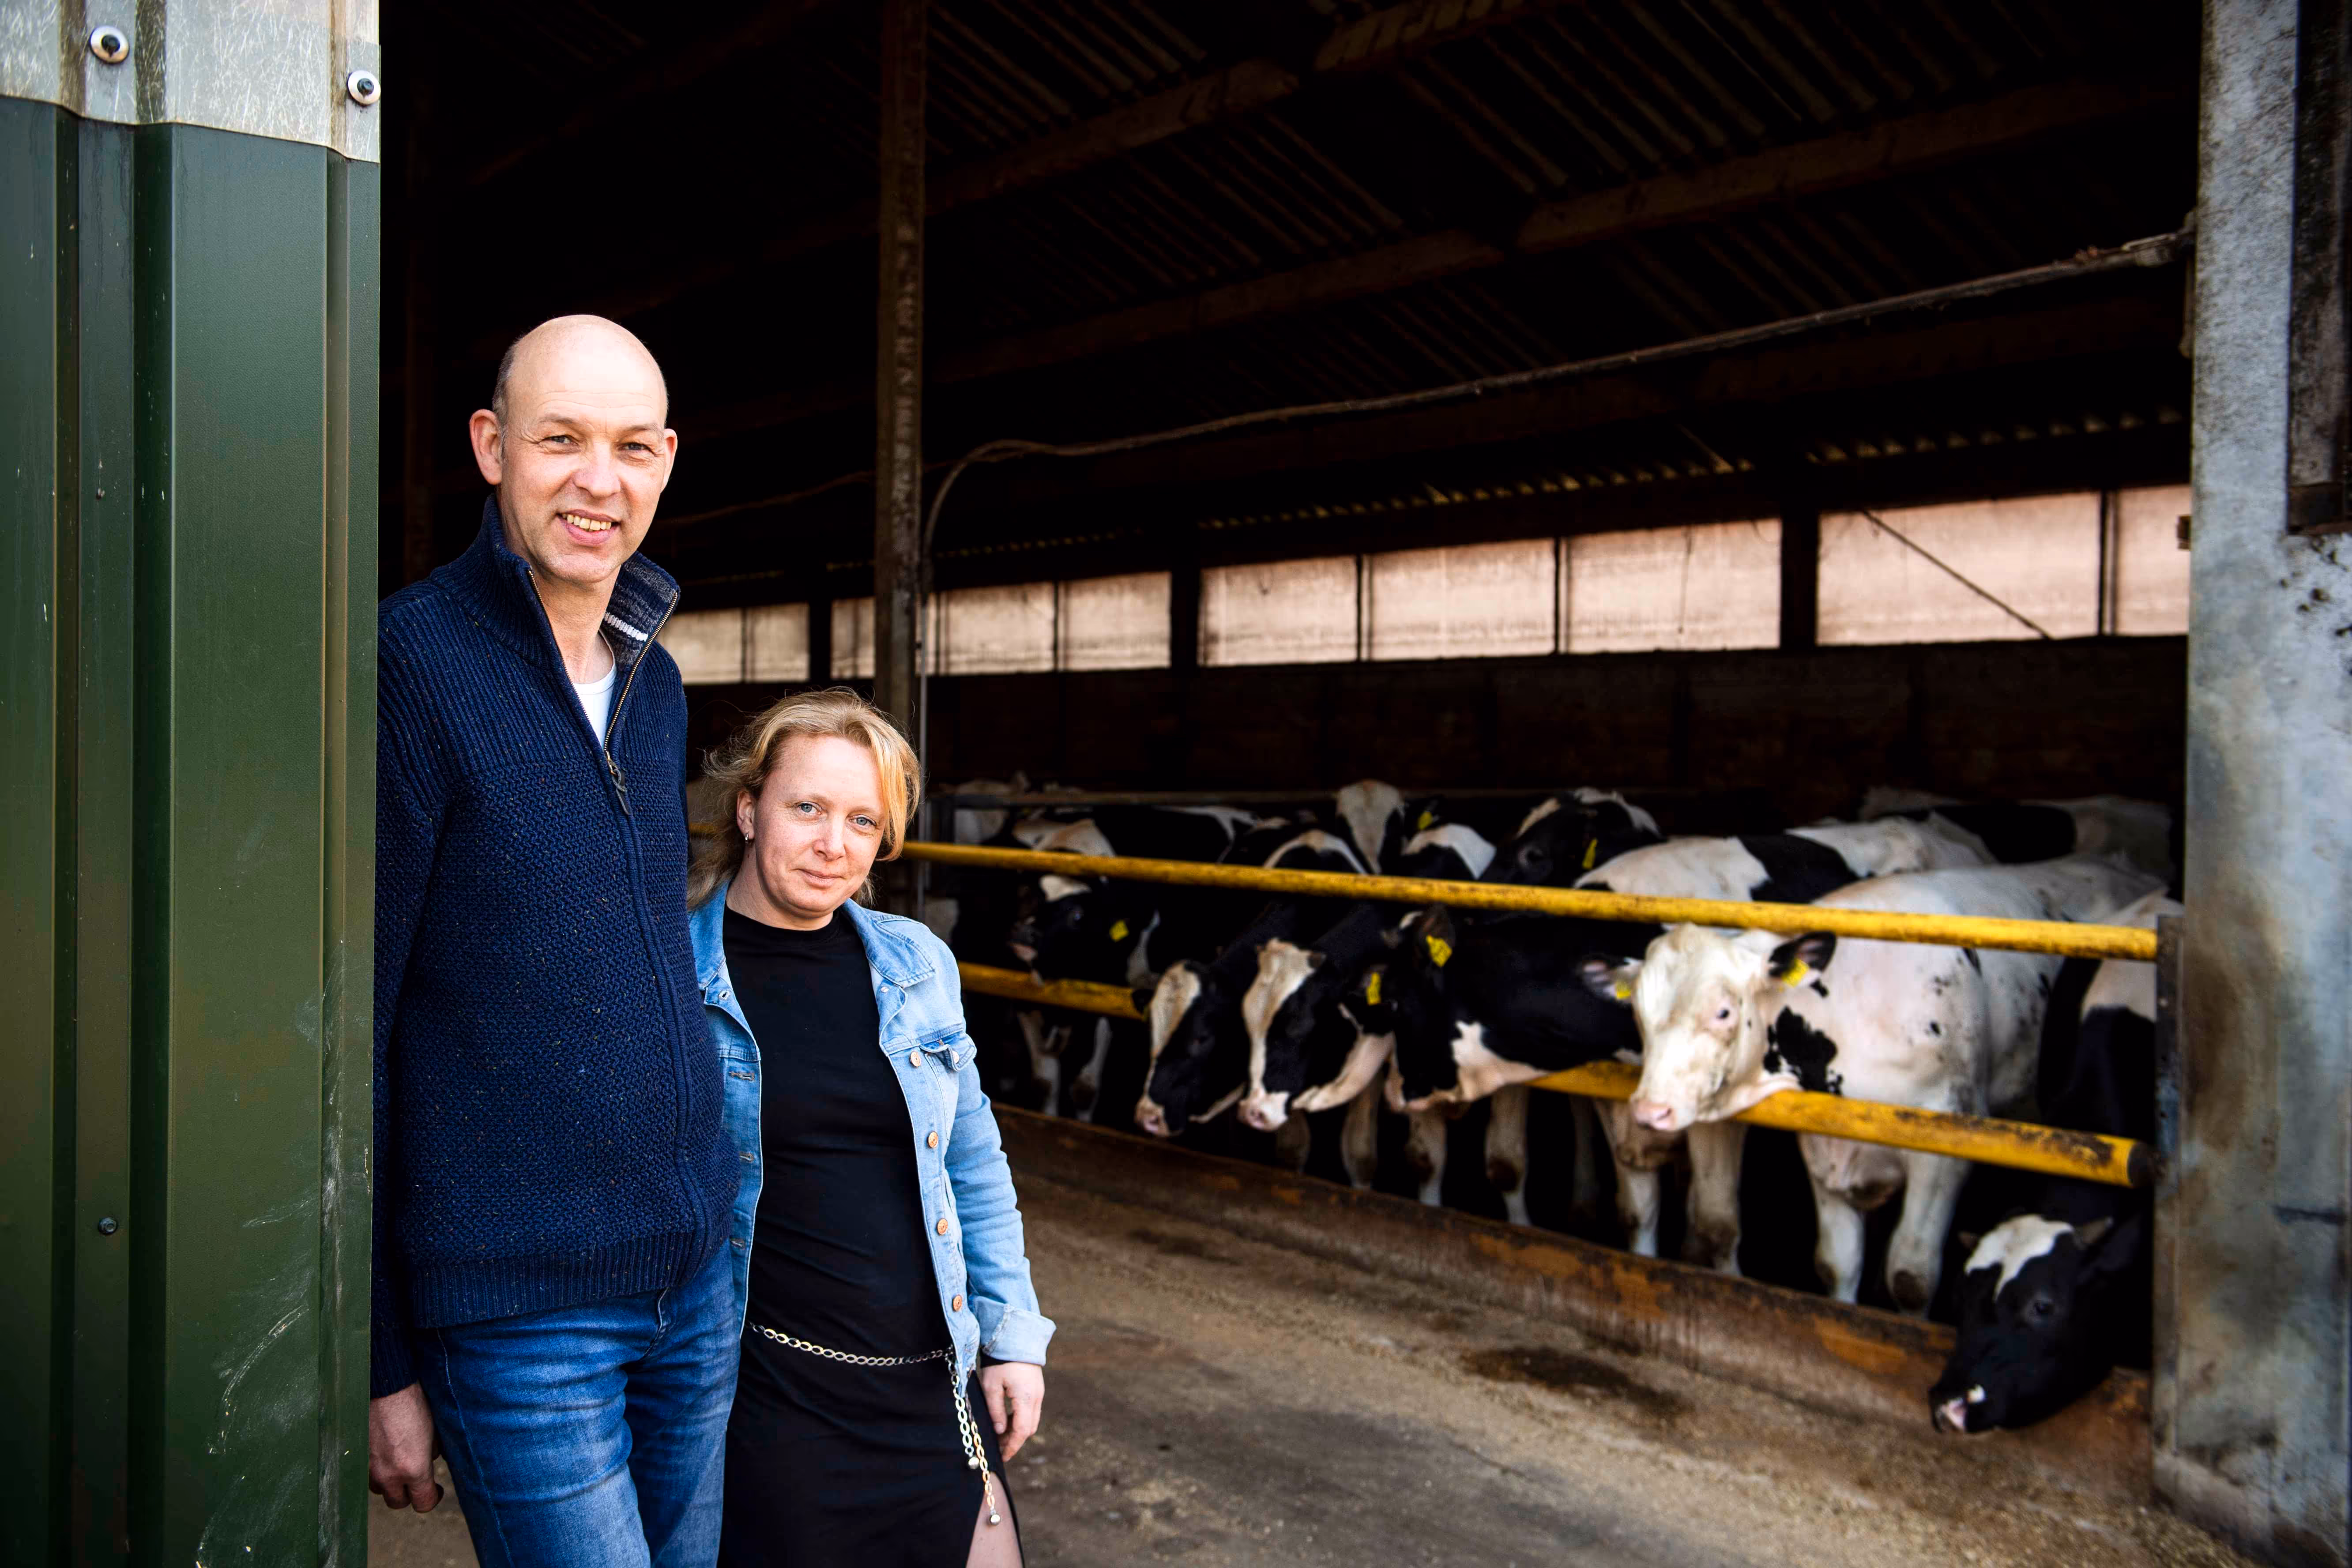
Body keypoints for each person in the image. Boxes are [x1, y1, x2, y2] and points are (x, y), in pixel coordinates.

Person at [369, 314, 742, 1568]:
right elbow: (355, 1022)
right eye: (561, 439)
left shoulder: (660, 679)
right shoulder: (408, 666)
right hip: (519, 1311)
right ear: (491, 447)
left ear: (669, 461)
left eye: (633, 447)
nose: (600, 479)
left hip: (691, 1284)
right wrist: (380, 1358)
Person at [689, 690, 1053, 1568]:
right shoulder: (671, 974)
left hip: (934, 1386)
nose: (833, 845)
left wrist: (1013, 1339)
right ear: (748, 809)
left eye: (863, 820)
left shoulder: (914, 962)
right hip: (776, 1402)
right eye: (806, 808)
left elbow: (975, 1166)